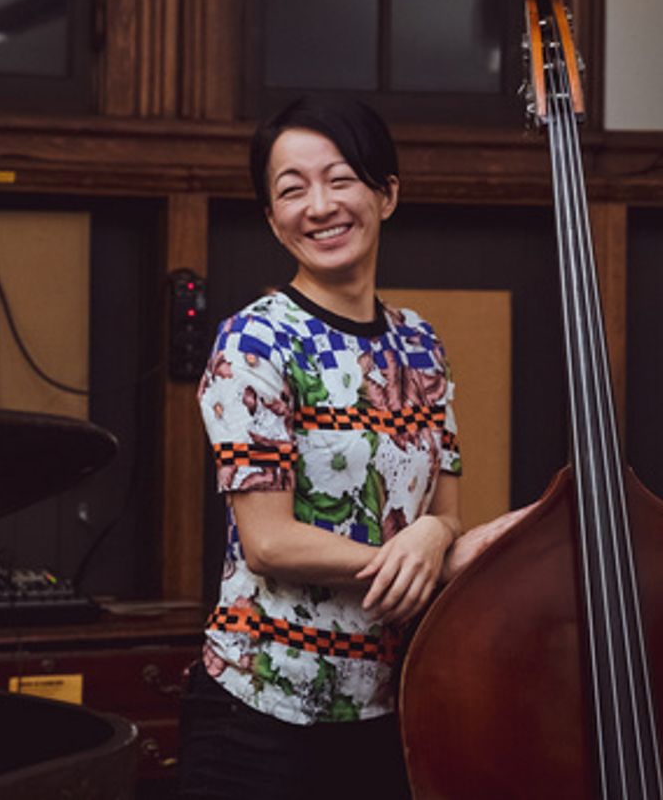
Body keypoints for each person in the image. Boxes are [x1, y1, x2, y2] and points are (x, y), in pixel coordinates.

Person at [178, 96, 527, 799]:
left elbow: (445, 512)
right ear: (272, 219)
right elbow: (269, 541)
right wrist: (429, 559)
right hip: (258, 716)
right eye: (291, 189)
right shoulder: (253, 340)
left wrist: (436, 532)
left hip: (391, 710)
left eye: (340, 179)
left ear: (386, 193)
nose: (319, 205)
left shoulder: (421, 345)